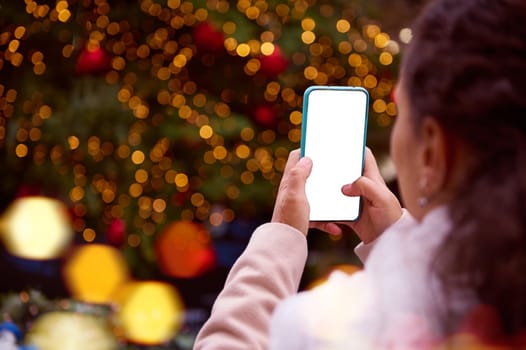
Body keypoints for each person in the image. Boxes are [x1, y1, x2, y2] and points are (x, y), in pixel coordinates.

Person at [194, 0, 526, 348]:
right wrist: (395, 239)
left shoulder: (334, 328)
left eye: (402, 111)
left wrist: (279, 240)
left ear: (432, 150)